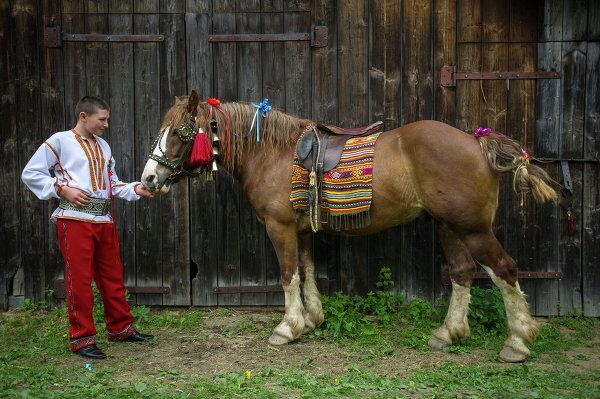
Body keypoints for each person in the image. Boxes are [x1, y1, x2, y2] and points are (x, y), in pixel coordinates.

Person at [21, 96, 155, 359]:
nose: (106, 124)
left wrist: (137, 189)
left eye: (107, 119)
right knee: (79, 281)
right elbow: (31, 173)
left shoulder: (104, 146)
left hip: (104, 220)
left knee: (112, 277)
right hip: (74, 220)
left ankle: (121, 328)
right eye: (101, 119)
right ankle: (82, 339)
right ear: (84, 116)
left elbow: (112, 185)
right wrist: (61, 189)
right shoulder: (60, 141)